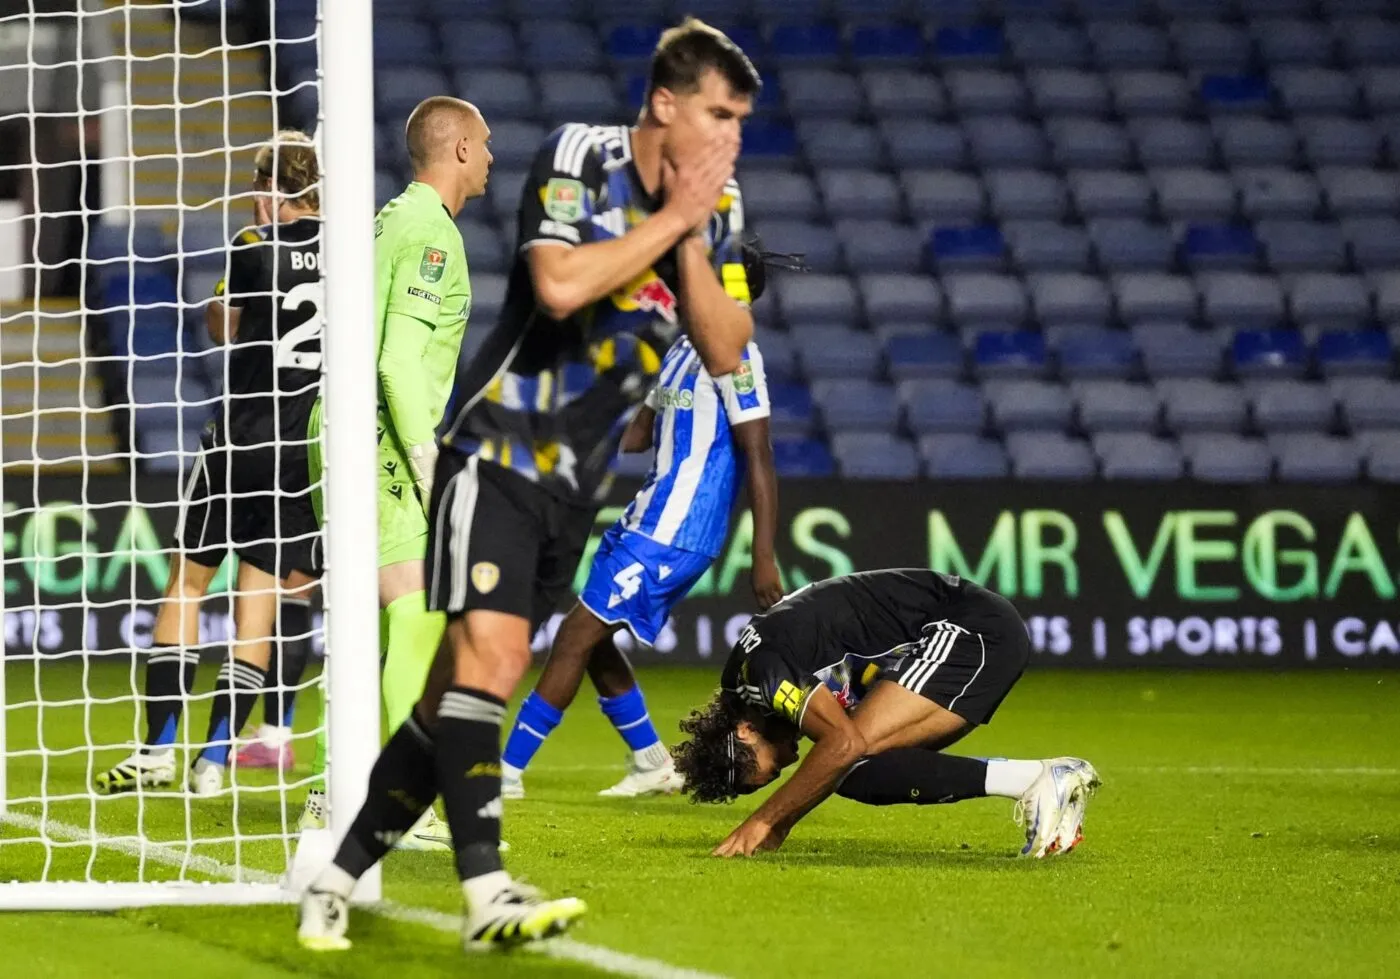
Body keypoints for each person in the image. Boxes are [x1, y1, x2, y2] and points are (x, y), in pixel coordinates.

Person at [297, 17, 761, 954]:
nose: (729, 137)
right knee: (492, 668)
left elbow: (725, 343)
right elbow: (555, 286)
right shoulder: (576, 159)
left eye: (741, 121)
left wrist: (695, 233)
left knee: (445, 706)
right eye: (718, 113)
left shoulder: (721, 206)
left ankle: (333, 876)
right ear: (664, 105)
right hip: (498, 452)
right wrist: (673, 222)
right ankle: (487, 891)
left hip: (577, 483)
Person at [94, 130, 325, 797]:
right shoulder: (352, 253)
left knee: (188, 585)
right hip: (302, 449)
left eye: (260, 187)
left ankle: (158, 750)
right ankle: (216, 758)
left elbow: (222, 326)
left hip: (240, 439)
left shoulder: (254, 247)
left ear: (270, 189)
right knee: (263, 597)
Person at [296, 95, 490, 852]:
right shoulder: (431, 235)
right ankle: (400, 799)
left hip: (333, 424)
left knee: (364, 625)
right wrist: (428, 460)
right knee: (417, 609)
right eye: (487, 145)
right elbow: (400, 361)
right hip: (377, 433)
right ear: (462, 151)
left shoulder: (386, 219)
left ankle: (326, 795)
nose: (493, 159)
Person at [500, 292, 782, 801]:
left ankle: (504, 772)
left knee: (575, 634)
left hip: (676, 532)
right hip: (645, 517)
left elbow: (758, 453)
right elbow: (638, 432)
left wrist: (763, 554)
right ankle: (652, 762)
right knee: (594, 640)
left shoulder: (737, 357)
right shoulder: (681, 347)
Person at [671, 569, 1101, 859]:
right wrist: (781, 822)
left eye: (773, 765)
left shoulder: (762, 673)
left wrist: (766, 821)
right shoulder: (749, 683)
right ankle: (1038, 780)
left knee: (845, 755)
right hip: (965, 635)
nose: (788, 761)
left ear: (745, 731)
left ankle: (1040, 781)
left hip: (969, 629)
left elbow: (844, 744)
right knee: (857, 771)